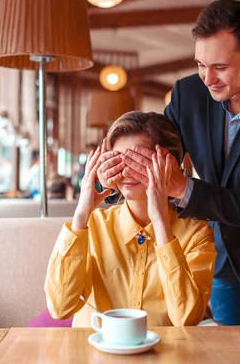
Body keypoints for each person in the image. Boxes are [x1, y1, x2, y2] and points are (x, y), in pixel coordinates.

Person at [97, 0, 240, 326]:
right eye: (200, 65)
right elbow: (160, 152)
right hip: (214, 251)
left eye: (219, 67)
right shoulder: (188, 93)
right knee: (223, 351)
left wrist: (180, 186)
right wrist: (108, 175)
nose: (207, 78)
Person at [45, 112, 216, 327]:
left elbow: (186, 318)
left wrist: (161, 224)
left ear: (169, 164)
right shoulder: (93, 225)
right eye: (117, 160)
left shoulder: (196, 234)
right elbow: (60, 307)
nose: (125, 172)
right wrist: (81, 213)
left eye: (137, 160)